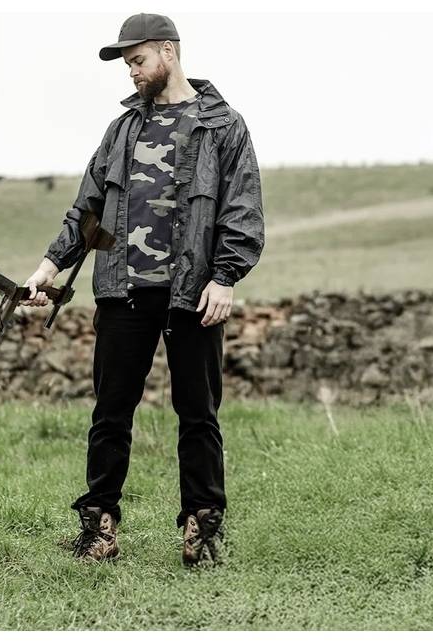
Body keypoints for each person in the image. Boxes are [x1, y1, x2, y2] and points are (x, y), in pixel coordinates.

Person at [20, 13, 264, 567]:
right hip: (121, 291)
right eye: (128, 64)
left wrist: (225, 277)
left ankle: (202, 531)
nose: (131, 72)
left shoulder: (222, 125)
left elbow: (243, 208)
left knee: (198, 414)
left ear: (168, 52)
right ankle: (98, 528)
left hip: (193, 294)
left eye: (138, 60)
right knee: (110, 413)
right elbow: (87, 210)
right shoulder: (123, 130)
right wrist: (48, 267)